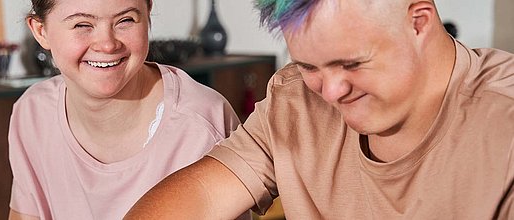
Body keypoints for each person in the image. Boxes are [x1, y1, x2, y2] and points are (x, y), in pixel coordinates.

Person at [126, 0, 514, 219]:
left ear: (418, 22)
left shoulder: (502, 122)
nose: (330, 91)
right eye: (310, 66)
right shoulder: (294, 100)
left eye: (351, 64)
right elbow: (203, 196)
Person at [7, 0, 242, 219]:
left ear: (147, 13)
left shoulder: (203, 125)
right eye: (82, 24)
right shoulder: (33, 114)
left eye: (125, 20)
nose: (108, 44)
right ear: (40, 31)